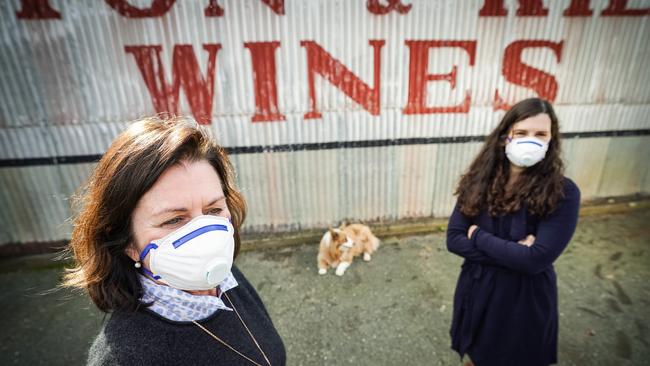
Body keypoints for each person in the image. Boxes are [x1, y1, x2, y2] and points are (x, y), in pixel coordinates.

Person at [63, 116, 286, 365]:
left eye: (213, 211)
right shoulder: (123, 359)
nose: (207, 239)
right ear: (127, 243)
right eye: (174, 220)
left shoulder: (225, 279)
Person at [446, 98, 581, 366]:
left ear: (551, 140)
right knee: (475, 354)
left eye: (540, 134)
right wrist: (516, 253)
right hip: (477, 287)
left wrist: (478, 236)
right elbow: (453, 239)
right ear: (505, 137)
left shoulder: (564, 193)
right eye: (521, 133)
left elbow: (535, 261)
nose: (531, 140)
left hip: (522, 300)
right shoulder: (478, 180)